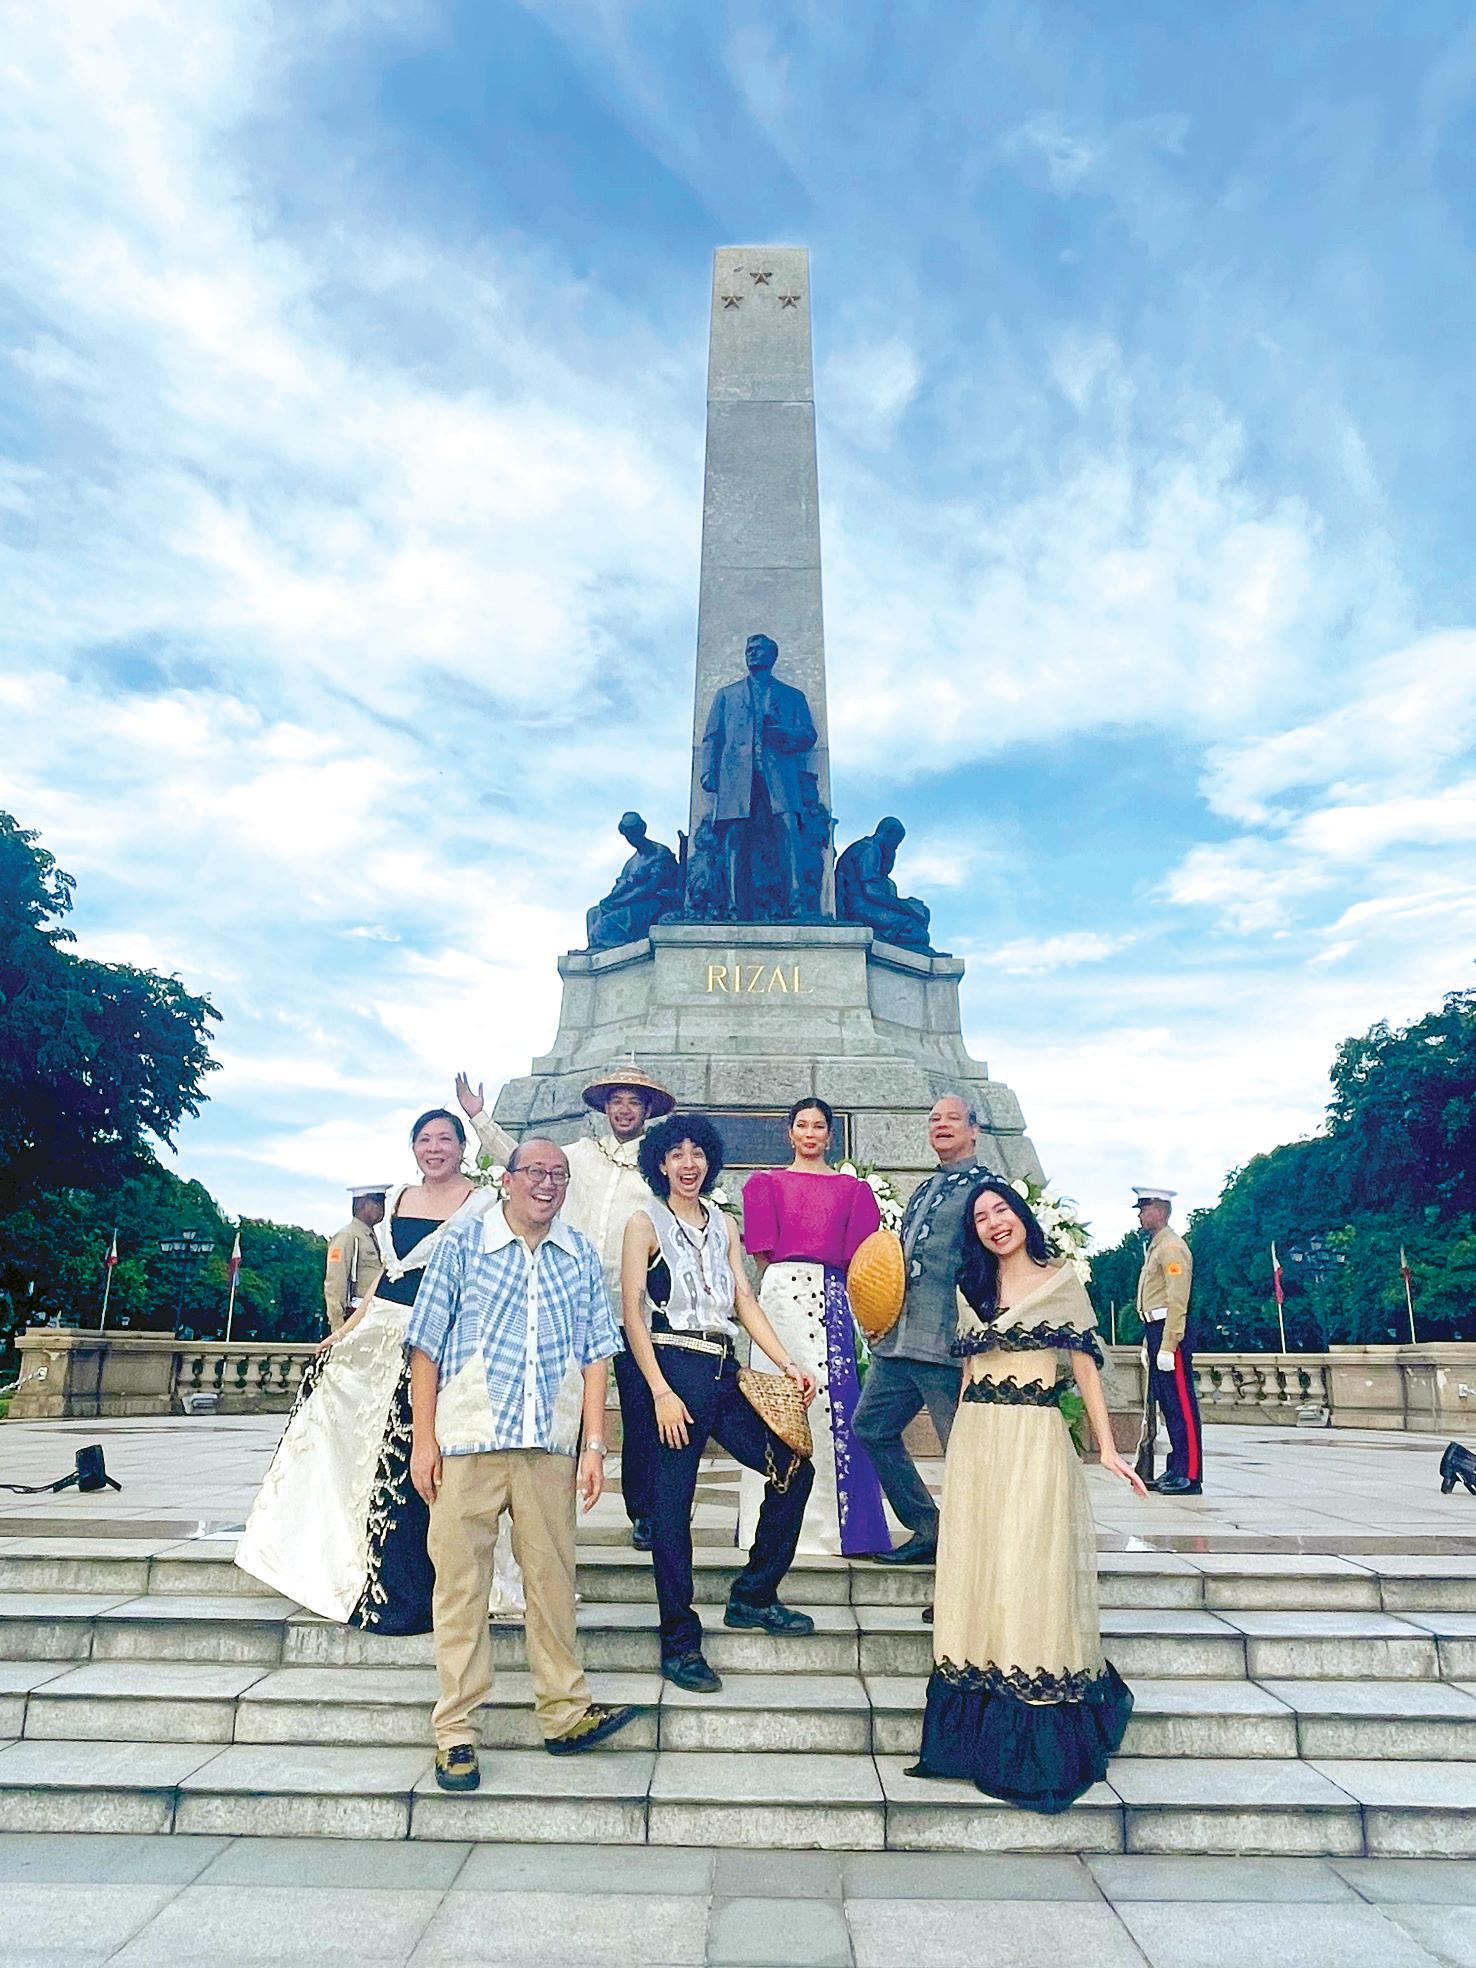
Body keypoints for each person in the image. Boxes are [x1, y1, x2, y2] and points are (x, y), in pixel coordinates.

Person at [406, 1136, 638, 1790]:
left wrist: (595, 1445)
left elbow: (598, 1354)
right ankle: (455, 1730)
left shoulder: (579, 1257)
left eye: (559, 1175)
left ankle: (564, 1712)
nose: (547, 1183)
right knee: (460, 1587)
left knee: (553, 1581)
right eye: (535, 1171)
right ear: (507, 1180)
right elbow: (424, 1345)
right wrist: (424, 1441)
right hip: (469, 1439)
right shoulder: (463, 1244)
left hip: (548, 1444)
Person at [909, 1178, 1144, 1812]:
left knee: (1028, 1571)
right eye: (981, 1218)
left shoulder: (1061, 1280)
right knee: (979, 1574)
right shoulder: (972, 1291)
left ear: (1021, 1217)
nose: (993, 1224)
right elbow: (965, 1377)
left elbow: (1087, 1370)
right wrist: (955, 1455)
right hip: (980, 1444)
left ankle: (1037, 1743)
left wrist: (1108, 1449)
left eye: (1001, 1211)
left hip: (1035, 1440)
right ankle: (966, 1740)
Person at [235, 1110, 496, 1631]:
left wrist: (481, 1116)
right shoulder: (398, 1197)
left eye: (446, 1139)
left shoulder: (485, 1202)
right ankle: (339, 1563)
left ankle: (419, 1585)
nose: (434, 1148)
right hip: (381, 1328)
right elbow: (381, 1277)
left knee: (413, 1455)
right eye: (424, 1139)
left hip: (439, 1334)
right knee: (349, 1441)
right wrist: (348, 1328)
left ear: (463, 1146)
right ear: (413, 1148)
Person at [621, 1112, 818, 1693]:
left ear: (709, 1162)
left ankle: (754, 1595)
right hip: (669, 1366)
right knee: (671, 1512)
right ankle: (680, 1643)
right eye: (676, 1153)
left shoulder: (724, 1224)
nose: (688, 1163)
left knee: (793, 1470)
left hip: (721, 1366)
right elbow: (633, 1309)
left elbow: (744, 1301)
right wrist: (658, 1390)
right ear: (660, 1162)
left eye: (697, 1153)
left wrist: (787, 1364)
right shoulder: (644, 1222)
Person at [457, 1061, 675, 1551]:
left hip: (629, 1309)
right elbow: (519, 1158)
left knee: (640, 1411)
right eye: (617, 1100)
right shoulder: (575, 1156)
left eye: (634, 1102)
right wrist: (478, 1118)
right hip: (567, 1298)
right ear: (604, 1108)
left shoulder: (655, 1167)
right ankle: (546, 1506)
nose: (624, 1109)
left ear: (646, 1112)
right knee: (559, 1402)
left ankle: (643, 1512)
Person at [736, 1098, 890, 1557]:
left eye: (818, 1126)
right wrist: (784, 1290)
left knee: (832, 1404)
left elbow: (863, 1259)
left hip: (831, 1297)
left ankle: (836, 1529)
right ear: (790, 1132)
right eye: (801, 1125)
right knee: (777, 1404)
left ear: (829, 1135)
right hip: (780, 1298)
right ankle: (770, 1528)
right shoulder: (765, 1185)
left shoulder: (853, 1191)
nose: (809, 1133)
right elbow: (763, 1255)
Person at [854, 1094, 992, 1563]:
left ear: (974, 1130)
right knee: (870, 1426)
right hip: (898, 1342)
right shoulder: (925, 1188)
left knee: (965, 1450)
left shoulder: (986, 1191)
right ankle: (929, 1528)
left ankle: (975, 1555)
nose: (941, 1126)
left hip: (948, 1345)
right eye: (933, 1119)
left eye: (952, 1119)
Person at [1134, 1186, 1202, 1496]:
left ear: (1159, 1211)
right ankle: (1176, 1466)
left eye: (1144, 1207)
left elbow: (1178, 1300)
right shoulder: (1157, 1246)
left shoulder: (1171, 1248)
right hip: (1155, 1328)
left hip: (1167, 1329)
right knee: (1168, 1404)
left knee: (1181, 1404)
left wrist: (1168, 1343)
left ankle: (1189, 1473)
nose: (1140, 1214)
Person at [322, 1183, 389, 1332]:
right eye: (377, 1202)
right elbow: (335, 1282)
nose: (381, 1208)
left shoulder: (370, 1236)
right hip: (354, 1315)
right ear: (361, 1203)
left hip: (372, 1315)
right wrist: (338, 1326)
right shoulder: (347, 1236)